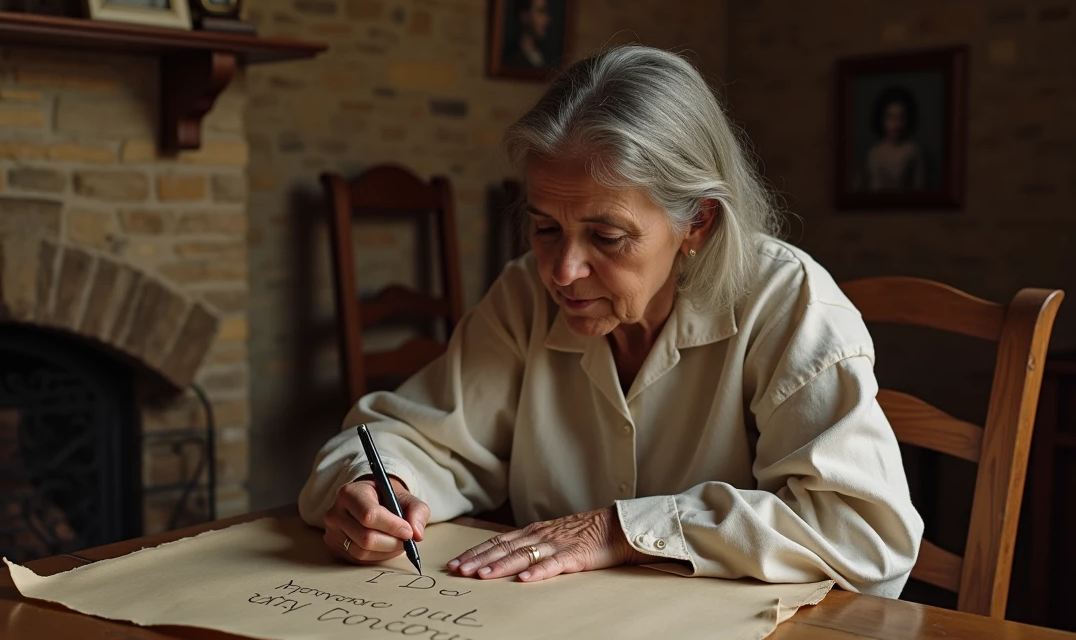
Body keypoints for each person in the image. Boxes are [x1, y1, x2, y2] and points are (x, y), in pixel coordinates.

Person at [298, 45, 924, 599]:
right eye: (545, 228)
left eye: (607, 236)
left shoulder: (785, 303)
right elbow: (414, 437)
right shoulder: (525, 295)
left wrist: (622, 531)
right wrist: (379, 486)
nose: (563, 271)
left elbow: (865, 535)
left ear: (697, 222)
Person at [860, 86, 926, 191]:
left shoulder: (913, 152)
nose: (896, 124)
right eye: (890, 117)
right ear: (881, 119)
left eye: (901, 117)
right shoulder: (873, 153)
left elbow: (919, 188)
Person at [501, 0, 552, 69]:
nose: (546, 19)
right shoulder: (512, 57)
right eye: (540, 11)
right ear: (524, 16)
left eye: (546, 12)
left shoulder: (545, 56)